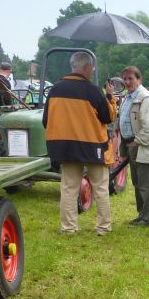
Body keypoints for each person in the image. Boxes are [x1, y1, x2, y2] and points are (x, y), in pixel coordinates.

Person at [42, 51, 117, 236]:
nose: (92, 71)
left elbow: (46, 121)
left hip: (65, 147)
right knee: (100, 187)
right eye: (92, 68)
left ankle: (69, 228)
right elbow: (108, 117)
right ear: (86, 68)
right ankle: (103, 227)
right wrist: (110, 97)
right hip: (93, 147)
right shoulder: (92, 91)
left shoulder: (55, 90)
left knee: (69, 188)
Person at [119, 66, 149, 228]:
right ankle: (142, 215)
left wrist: (137, 141)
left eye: (131, 78)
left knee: (146, 183)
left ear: (139, 80)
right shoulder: (129, 97)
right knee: (137, 182)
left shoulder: (145, 98)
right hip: (132, 144)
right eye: (124, 79)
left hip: (141, 145)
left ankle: (148, 218)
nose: (127, 82)